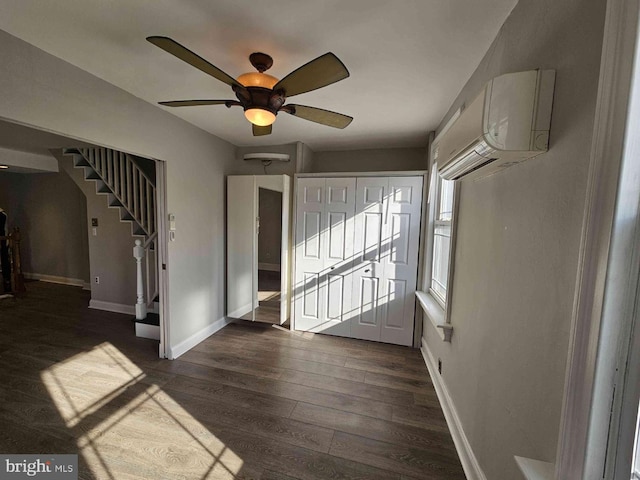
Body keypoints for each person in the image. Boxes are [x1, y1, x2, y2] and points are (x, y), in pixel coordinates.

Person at [0, 208, 11, 293]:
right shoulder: (3, 215)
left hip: (2, 241)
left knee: (5, 262)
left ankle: (7, 282)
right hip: (3, 242)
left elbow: (5, 229)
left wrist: (6, 242)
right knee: (5, 262)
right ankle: (7, 282)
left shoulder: (3, 215)